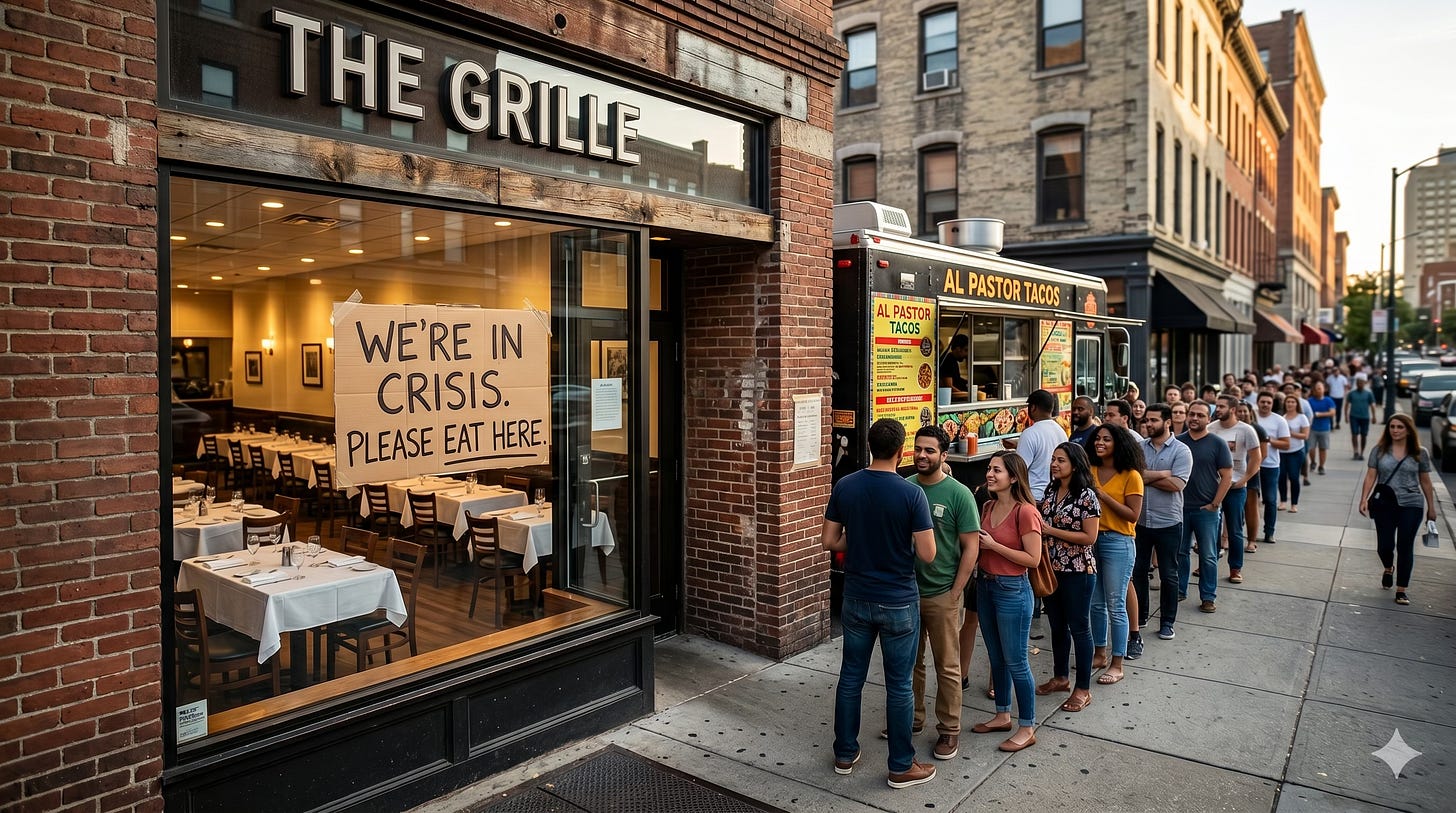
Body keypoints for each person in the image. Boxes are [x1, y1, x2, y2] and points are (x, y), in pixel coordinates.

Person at [822, 419, 937, 788]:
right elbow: (928, 553)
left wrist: (859, 541)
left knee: (850, 677)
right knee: (899, 685)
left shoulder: (846, 485)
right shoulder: (912, 494)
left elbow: (830, 541)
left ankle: (844, 753)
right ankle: (901, 765)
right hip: (898, 600)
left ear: (869, 446)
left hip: (856, 597)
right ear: (902, 451)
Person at [903, 427, 979, 761]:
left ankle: (949, 729)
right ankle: (912, 718)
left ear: (944, 456)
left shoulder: (959, 494)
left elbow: (971, 547)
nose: (922, 455)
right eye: (918, 449)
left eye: (930, 450)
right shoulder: (906, 488)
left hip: (943, 594)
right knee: (909, 662)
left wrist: (955, 592)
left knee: (947, 665)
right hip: (906, 593)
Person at [969, 452, 1042, 753]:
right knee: (996, 657)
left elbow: (1033, 559)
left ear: (1013, 477)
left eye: (996, 470)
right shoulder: (987, 506)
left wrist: (994, 545)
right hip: (986, 586)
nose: (989, 474)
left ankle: (1027, 726)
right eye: (989, 469)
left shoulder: (1025, 512)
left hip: (1012, 590)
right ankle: (1002, 714)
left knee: (1016, 661)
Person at [1034, 443, 1100, 713]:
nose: (1054, 464)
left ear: (1075, 464)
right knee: (1057, 626)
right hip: (1052, 568)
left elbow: (1089, 537)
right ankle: (1060, 677)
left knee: (1079, 627)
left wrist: (1051, 530)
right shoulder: (1051, 490)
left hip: (1078, 570)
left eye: (1061, 460)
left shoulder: (1086, 496)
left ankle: (1083, 689)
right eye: (1053, 459)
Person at [1359, 414, 1437, 607]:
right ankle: (1388, 567)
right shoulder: (1379, 450)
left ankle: (1402, 589)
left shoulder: (1420, 452)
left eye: (1400, 427)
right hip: (1385, 503)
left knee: (1405, 546)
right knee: (1384, 546)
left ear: (1409, 430)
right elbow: (1371, 476)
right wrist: (1364, 498)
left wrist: (1431, 508)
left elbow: (1425, 481)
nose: (1395, 430)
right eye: (1392, 426)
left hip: (1412, 503)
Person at [1085, 425, 1145, 676]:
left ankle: (1117, 664)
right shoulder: (1090, 469)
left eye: (1106, 439)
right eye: (1097, 438)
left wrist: (1103, 497)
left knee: (1116, 603)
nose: (1100, 443)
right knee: (1096, 603)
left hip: (1118, 542)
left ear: (1119, 444)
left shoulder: (1132, 475)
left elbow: (1133, 515)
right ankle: (1099, 654)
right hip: (1091, 540)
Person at [1134, 404, 1192, 640]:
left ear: (1167, 422)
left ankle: (1167, 622)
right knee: (1138, 571)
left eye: (1153, 420)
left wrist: (1145, 477)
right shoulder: (1139, 448)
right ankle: (1140, 616)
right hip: (1140, 521)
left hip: (1168, 522)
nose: (1148, 424)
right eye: (1147, 420)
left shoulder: (1182, 451)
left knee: (1169, 574)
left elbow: (1177, 484)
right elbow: (1132, 476)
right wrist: (1163, 473)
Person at [1176, 401, 1233, 613]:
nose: (1195, 418)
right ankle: (1179, 590)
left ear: (1209, 419)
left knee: (1208, 555)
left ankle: (1208, 597)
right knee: (1180, 552)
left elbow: (1227, 476)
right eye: (1192, 414)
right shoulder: (1178, 442)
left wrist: (1215, 504)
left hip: (1206, 510)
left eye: (1200, 415)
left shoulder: (1217, 443)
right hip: (1180, 509)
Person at [1211, 395, 1261, 584]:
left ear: (1232, 409)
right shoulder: (1211, 428)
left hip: (1235, 487)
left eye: (1222, 406)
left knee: (1235, 529)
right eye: (1217, 406)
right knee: (1211, 528)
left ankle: (1235, 568)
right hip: (1214, 486)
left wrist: (1244, 479)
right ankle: (1209, 564)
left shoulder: (1246, 430)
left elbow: (1257, 458)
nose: (1217, 409)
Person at [1004, 389, 1068, 499]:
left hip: (1034, 497)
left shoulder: (1029, 433)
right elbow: (1045, 449)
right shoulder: (1061, 432)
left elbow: (1018, 469)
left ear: (1033, 408)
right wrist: (1018, 444)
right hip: (1055, 496)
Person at [1254, 393, 1291, 545]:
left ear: (1272, 404)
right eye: (1262, 402)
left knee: (1270, 499)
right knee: (1249, 500)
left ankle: (1269, 532)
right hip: (1251, 464)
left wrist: (1268, 440)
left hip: (1270, 465)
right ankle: (1247, 532)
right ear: (1257, 402)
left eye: (1268, 402)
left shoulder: (1279, 420)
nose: (1265, 404)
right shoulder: (1252, 417)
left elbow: (1286, 444)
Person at [1234, 400, 1269, 553]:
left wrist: (1249, 473)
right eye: (1239, 411)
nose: (1242, 414)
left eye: (1245, 411)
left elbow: (1263, 455)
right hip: (1232, 473)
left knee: (1251, 507)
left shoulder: (1257, 429)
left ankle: (1251, 540)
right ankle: (1226, 539)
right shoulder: (1230, 428)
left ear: (1250, 412)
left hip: (1251, 473)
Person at [1278, 394, 1310, 513]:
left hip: (1296, 451)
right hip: (1282, 451)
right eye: (1288, 402)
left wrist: (1291, 433)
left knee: (1293, 477)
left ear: (1297, 404)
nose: (1290, 404)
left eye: (1292, 402)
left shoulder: (1302, 418)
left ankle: (1294, 504)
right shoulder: (1282, 418)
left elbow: (1305, 436)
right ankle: (1283, 501)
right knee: (1281, 476)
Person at [1307, 381, 1336, 475]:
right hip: (1312, 428)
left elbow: (1332, 412)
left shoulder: (1328, 400)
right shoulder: (1310, 401)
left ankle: (1321, 466)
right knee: (1311, 448)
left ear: (1324, 389)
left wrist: (1319, 414)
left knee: (1323, 448)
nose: (1318, 390)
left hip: (1324, 428)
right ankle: (1313, 462)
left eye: (1320, 388)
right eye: (1316, 388)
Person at [1346, 374, 1376, 459]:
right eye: (1358, 383)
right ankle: (1355, 451)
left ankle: (1362, 452)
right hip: (1354, 416)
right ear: (1356, 384)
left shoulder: (1368, 394)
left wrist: (1374, 416)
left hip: (1365, 417)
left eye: (1362, 383)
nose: (1360, 385)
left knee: (1364, 435)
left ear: (1364, 384)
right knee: (1354, 434)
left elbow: (1372, 405)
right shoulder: (1352, 393)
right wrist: (1346, 416)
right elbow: (1347, 404)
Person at [939, 335, 970, 400]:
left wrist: (969, 383)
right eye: (966, 350)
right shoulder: (948, 361)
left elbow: (956, 379)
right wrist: (967, 396)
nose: (967, 354)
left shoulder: (953, 360)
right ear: (958, 349)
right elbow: (949, 386)